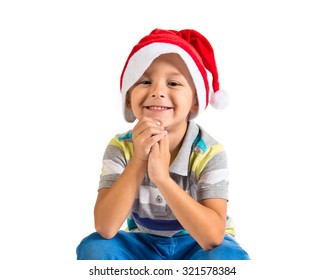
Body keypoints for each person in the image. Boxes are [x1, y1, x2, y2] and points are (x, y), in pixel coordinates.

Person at [76, 28, 250, 260]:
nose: (157, 91)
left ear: (196, 101)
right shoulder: (120, 147)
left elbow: (212, 237)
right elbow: (106, 227)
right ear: (129, 97)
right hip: (142, 243)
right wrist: (139, 159)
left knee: (228, 257)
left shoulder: (209, 152)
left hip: (197, 243)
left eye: (174, 83)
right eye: (145, 81)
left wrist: (162, 179)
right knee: (95, 248)